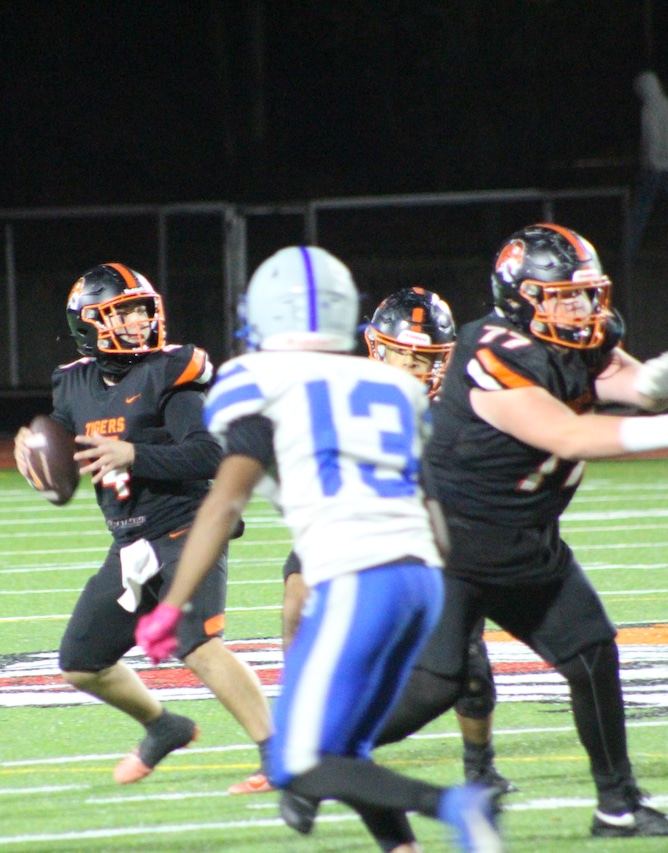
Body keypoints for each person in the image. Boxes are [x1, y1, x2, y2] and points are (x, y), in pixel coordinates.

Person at [371, 223, 668, 839]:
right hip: (454, 543)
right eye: (563, 297)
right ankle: (316, 753)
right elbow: (563, 434)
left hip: (526, 540)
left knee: (592, 653)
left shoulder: (578, 335)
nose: (581, 308)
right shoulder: (491, 351)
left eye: (585, 294)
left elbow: (617, 376)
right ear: (521, 297)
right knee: (435, 686)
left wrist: (649, 389)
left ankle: (618, 806)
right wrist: (662, 428)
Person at [135, 245, 504, 853]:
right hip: (423, 579)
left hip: (358, 577)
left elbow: (223, 504)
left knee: (295, 762)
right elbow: (432, 505)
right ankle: (402, 847)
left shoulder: (260, 382)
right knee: (346, 748)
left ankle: (455, 807)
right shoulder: (394, 389)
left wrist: (172, 604)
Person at [13, 263, 274, 794]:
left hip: (187, 529)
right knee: (82, 664)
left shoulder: (169, 373)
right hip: (130, 542)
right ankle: (164, 726)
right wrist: (31, 453)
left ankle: (279, 754)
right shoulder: (74, 384)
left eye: (139, 311)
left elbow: (211, 454)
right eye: (122, 313)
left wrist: (134, 453)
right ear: (89, 323)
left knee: (198, 645)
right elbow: (61, 458)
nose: (137, 322)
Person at [279, 286, 515, 795]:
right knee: (298, 598)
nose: (411, 367)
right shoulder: (345, 396)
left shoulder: (459, 408)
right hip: (349, 519)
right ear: (376, 347)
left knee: (468, 661)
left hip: (431, 536)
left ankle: (480, 765)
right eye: (402, 354)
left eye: (423, 358)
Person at [627, 70, 668, 254]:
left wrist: (650, 160)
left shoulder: (650, 107)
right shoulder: (667, 104)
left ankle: (629, 247)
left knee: (640, 208)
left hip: (653, 167)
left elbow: (651, 137)